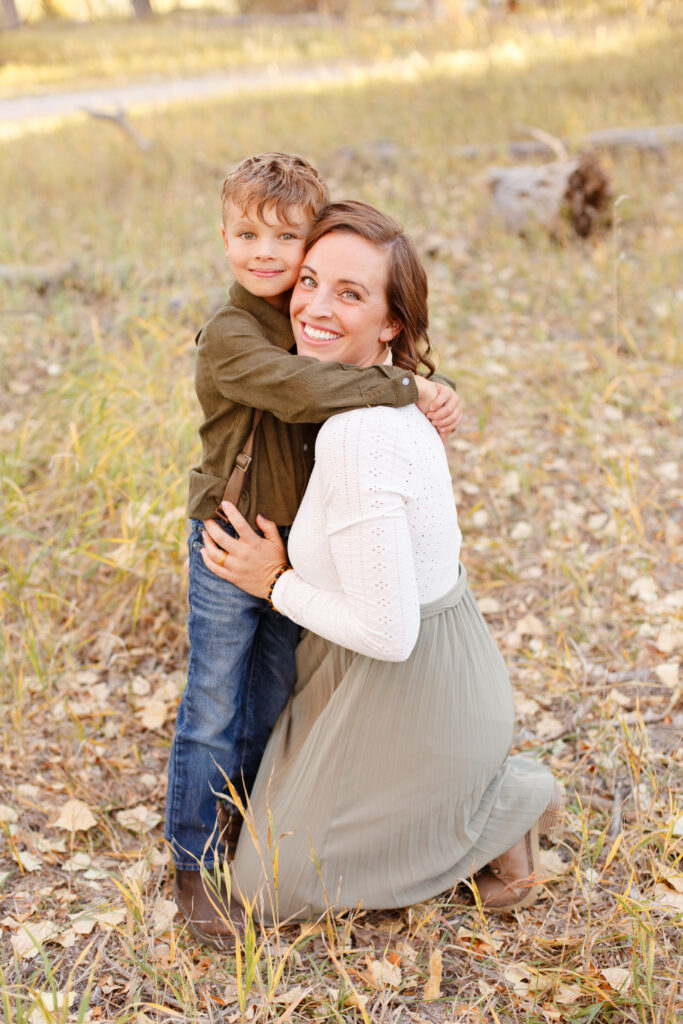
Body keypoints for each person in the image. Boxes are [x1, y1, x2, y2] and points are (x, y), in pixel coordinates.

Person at [202, 200, 563, 927]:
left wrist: (272, 582)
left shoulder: (358, 437)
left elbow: (390, 634)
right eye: (308, 281)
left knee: (271, 892)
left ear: (391, 322)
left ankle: (510, 801)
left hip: (415, 685)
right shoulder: (369, 395)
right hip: (382, 668)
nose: (314, 306)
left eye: (351, 293)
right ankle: (457, 801)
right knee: (271, 846)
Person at [165, 155, 462, 947]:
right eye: (244, 234)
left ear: (311, 245)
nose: (264, 253)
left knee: (273, 689)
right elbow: (298, 389)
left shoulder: (305, 320)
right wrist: (406, 384)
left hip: (292, 545)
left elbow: (338, 370)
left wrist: (412, 382)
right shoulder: (230, 335)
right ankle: (191, 860)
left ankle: (252, 818)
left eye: (285, 238)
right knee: (216, 697)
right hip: (233, 536)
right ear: (222, 237)